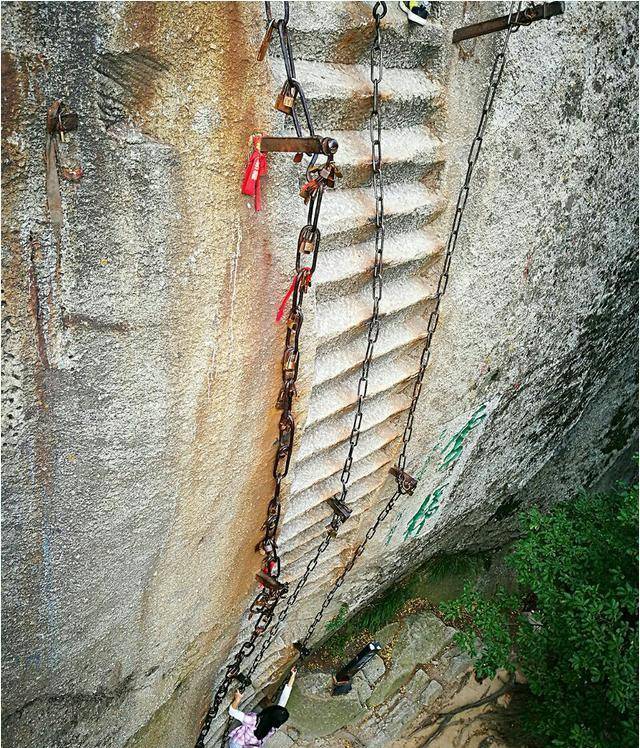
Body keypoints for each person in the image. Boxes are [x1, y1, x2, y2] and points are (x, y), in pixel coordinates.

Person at [228, 667, 297, 747]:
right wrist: (293, 676)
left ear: (269, 711)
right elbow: (284, 699)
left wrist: (237, 699)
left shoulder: (253, 721)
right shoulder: (273, 726)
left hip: (238, 743)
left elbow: (232, 711)